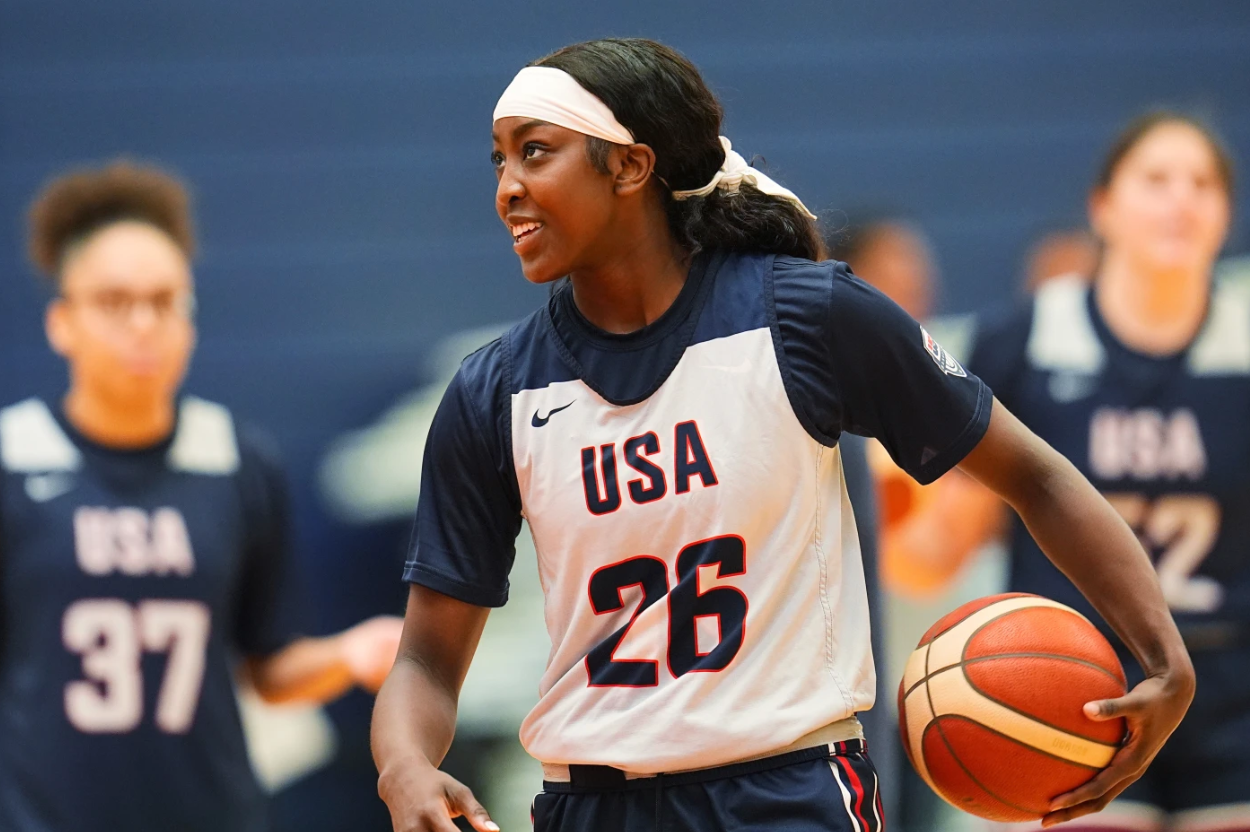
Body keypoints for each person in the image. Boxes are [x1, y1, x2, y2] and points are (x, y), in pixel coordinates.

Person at [370, 40, 1194, 832]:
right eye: (499, 160)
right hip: (591, 805)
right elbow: (425, 663)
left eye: (535, 152)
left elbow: (1036, 477)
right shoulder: (495, 391)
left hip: (787, 792)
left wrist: (1162, 654)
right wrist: (404, 764)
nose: (507, 187)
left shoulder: (806, 317)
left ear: (630, 164)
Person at [0, 161, 404, 832]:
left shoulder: (235, 459)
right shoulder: (12, 459)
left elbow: (269, 665)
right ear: (62, 322)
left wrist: (351, 652)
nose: (142, 324)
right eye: (113, 302)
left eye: (164, 300)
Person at [885, 112, 1249, 831]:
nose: (1182, 200)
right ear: (1103, 207)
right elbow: (935, 557)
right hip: (1069, 683)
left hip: (1233, 687)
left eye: (1202, 184)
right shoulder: (1022, 341)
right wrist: (887, 515)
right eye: (1157, 180)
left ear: (1226, 213)